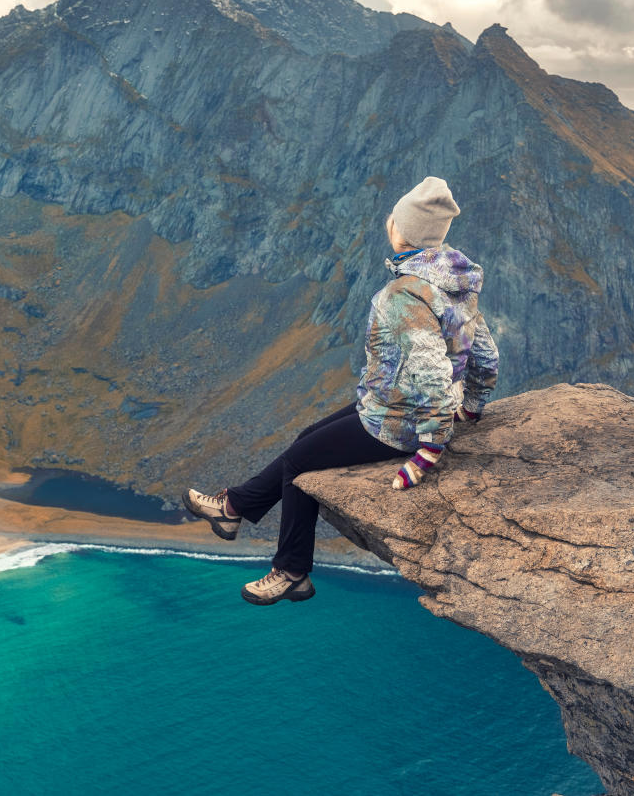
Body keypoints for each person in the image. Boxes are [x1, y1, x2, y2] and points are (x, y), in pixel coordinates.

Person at [183, 176, 499, 605]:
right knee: (305, 440)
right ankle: (234, 509)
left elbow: (430, 372)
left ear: (401, 232)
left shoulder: (404, 296)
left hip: (398, 423)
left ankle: (292, 571)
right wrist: (474, 404)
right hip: (389, 404)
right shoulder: (456, 280)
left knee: (298, 463)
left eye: (395, 218)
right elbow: (484, 351)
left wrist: (431, 446)